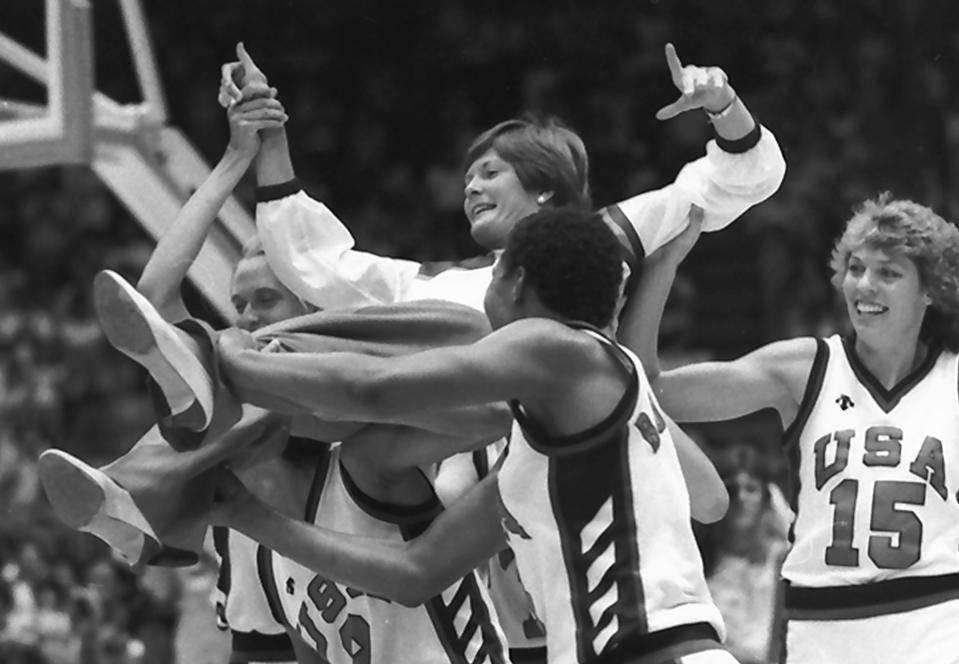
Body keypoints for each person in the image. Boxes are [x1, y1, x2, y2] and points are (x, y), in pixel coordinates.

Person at [96, 207, 740, 664]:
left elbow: (373, 391)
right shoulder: (533, 459)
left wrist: (219, 357)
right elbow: (414, 571)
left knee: (422, 349)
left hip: (659, 649)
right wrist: (250, 518)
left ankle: (196, 371)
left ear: (514, 282)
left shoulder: (559, 347)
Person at [41, 82, 511, 664]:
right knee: (225, 365)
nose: (246, 318)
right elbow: (155, 296)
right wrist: (232, 160)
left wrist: (252, 356)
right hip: (289, 422)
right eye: (239, 306)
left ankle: (145, 488)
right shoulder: (248, 535)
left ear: (321, 316)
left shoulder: (374, 460)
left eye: (265, 299)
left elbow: (493, 408)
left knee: (249, 357)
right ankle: (144, 491)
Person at [620, 193, 959, 664]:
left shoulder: (953, 381)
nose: (864, 285)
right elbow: (649, 388)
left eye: (889, 273)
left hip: (934, 621)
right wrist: (663, 266)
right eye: (856, 268)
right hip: (819, 629)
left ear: (929, 290)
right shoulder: (806, 368)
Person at [697, 445, 791, 664]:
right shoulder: (701, 560)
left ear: (766, 497)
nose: (740, 498)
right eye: (731, 489)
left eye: (751, 489)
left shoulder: (780, 561)